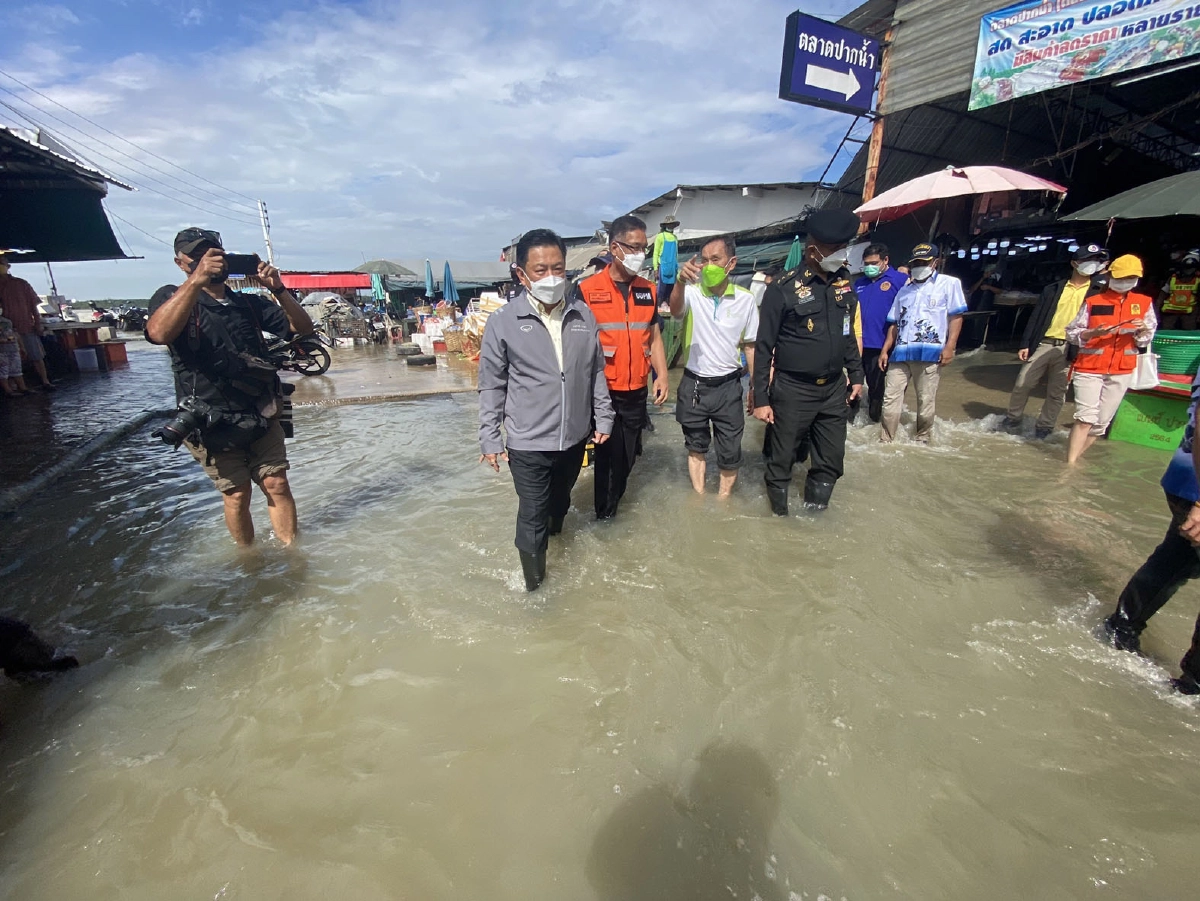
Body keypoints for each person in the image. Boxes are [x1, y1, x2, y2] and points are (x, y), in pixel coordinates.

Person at [145, 227, 314, 546]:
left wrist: (278, 289)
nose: (209, 260)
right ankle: (248, 558)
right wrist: (196, 281)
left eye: (214, 253)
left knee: (276, 483)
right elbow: (158, 333)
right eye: (198, 256)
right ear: (180, 263)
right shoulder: (172, 297)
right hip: (210, 418)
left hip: (261, 409)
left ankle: (293, 554)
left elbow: (302, 328)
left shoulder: (248, 304)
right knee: (237, 494)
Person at [478, 228, 614, 591]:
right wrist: (490, 438)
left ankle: (557, 538)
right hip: (528, 442)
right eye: (541, 270)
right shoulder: (503, 322)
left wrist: (604, 416)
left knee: (560, 502)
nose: (551, 277)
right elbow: (492, 384)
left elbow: (596, 371)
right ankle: (535, 590)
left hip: (573, 437)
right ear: (522, 274)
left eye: (558, 268)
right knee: (533, 514)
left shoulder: (583, 316)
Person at [753, 209, 864, 515]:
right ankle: (779, 523)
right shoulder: (783, 288)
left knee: (831, 460)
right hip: (793, 390)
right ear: (813, 248)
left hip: (833, 390)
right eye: (835, 249)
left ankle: (815, 521)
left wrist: (856, 375)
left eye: (843, 248)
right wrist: (761, 399)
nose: (841, 255)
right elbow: (764, 347)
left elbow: (847, 333)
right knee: (781, 460)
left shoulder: (844, 282)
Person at [1101, 365, 1200, 695]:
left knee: (1177, 559)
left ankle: (1121, 627)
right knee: (1177, 559)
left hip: (1188, 484)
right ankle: (1192, 685)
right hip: (1194, 486)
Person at [577, 215, 669, 519]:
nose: (640, 254)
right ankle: (604, 518)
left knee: (628, 457)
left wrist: (662, 375)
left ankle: (610, 508)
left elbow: (653, 336)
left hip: (636, 390)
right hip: (602, 391)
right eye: (634, 247)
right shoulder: (587, 290)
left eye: (644, 247)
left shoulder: (648, 290)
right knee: (608, 457)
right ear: (615, 248)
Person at [670, 235, 758, 497]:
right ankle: (698, 498)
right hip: (694, 384)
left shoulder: (746, 300)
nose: (709, 266)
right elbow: (675, 311)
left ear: (731, 263)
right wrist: (679, 282)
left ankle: (723, 501)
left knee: (730, 450)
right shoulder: (692, 293)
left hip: (729, 386)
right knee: (695, 445)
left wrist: (756, 387)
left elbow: (751, 346)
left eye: (715, 259)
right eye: (705, 260)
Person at [1003, 244, 1109, 440]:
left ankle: (1044, 426)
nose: (1092, 264)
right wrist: (1025, 343)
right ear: (1074, 263)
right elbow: (1036, 317)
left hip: (1073, 347)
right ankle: (1012, 419)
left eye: (1096, 261)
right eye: (1088, 260)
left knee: (1057, 391)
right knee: (1023, 382)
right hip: (1045, 342)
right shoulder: (1053, 289)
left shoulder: (1099, 292)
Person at [1064, 254, 1156, 465]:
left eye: (1130, 278)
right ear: (1111, 276)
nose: (1125, 281)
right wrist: (1092, 333)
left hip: (1121, 370)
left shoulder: (1144, 303)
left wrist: (1143, 330)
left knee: (1100, 424)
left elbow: (1145, 339)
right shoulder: (1093, 302)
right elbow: (1071, 332)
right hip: (1089, 368)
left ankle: (1074, 460)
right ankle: (1069, 465)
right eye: (1121, 277)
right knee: (1085, 418)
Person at [879, 243, 967, 444]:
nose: (919, 266)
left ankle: (922, 439)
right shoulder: (904, 290)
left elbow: (956, 317)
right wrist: (885, 350)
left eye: (923, 262)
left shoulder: (949, 284)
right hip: (900, 352)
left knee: (925, 400)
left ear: (935, 262)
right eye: (916, 263)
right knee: (890, 399)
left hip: (930, 353)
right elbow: (894, 323)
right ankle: (886, 440)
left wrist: (950, 347)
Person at [852, 243, 907, 423]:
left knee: (880, 389)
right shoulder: (859, 283)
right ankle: (855, 424)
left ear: (885, 260)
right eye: (866, 264)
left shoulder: (900, 280)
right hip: (859, 344)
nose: (870, 267)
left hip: (884, 344)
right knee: (856, 385)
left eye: (874, 263)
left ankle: (877, 423)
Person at [0, 253, 55, 390]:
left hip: (25, 326)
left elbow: (33, 306)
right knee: (8, 360)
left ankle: (45, 381)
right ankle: (15, 387)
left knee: (36, 355)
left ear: (8, 266)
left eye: (2, 263)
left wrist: (38, 323)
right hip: (5, 331)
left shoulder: (21, 284)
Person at [1158, 249, 1200, 331]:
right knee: (1166, 332)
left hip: (1189, 312)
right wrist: (1156, 312)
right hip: (1170, 311)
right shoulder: (1173, 278)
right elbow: (1162, 295)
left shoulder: (1198, 280)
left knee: (1189, 333)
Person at [0, 310, 32, 396]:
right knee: (3, 371)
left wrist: (22, 347)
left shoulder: (7, 321)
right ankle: (8, 391)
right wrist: (5, 340)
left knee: (17, 369)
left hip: (13, 348)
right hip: (1, 351)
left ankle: (23, 388)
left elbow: (15, 335)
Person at [652, 215, 680, 304]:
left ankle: (668, 306)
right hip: (663, 267)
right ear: (665, 225)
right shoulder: (660, 236)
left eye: (672, 224)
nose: (671, 226)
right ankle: (659, 306)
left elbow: (676, 254)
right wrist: (655, 269)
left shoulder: (675, 238)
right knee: (661, 289)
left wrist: (677, 268)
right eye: (669, 224)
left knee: (670, 289)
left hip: (672, 267)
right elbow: (655, 253)